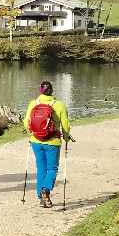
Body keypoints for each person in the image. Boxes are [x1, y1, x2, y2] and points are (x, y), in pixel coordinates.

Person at [23, 80, 72, 208]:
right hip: (52, 142)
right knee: (52, 169)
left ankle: (41, 197)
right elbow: (65, 124)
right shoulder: (59, 105)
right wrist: (66, 137)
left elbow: (26, 121)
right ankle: (45, 190)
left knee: (41, 169)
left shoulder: (33, 103)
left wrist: (31, 132)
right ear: (52, 91)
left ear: (41, 91)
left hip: (36, 141)